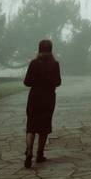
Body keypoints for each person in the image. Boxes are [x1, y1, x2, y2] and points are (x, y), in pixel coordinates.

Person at [22, 38, 62, 168]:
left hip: (34, 97)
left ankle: (29, 151)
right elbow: (58, 82)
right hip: (48, 98)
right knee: (44, 127)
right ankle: (39, 154)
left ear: (39, 49)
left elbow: (27, 82)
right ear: (51, 49)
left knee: (31, 126)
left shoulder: (33, 63)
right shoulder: (55, 64)